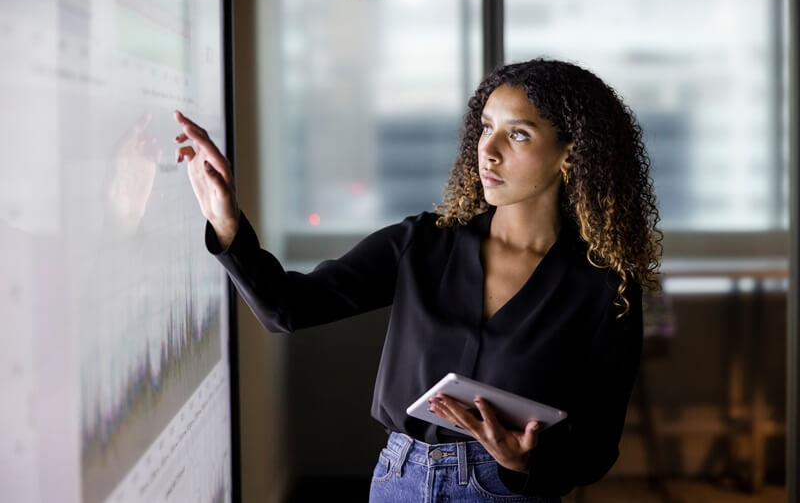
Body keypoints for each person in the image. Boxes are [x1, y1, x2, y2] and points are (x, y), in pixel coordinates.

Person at [174, 57, 663, 502]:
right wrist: (226, 222)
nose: (487, 151)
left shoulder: (606, 287)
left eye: (518, 134)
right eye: (485, 128)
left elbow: (596, 449)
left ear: (570, 155)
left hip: (508, 492)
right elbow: (286, 307)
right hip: (399, 482)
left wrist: (523, 463)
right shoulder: (423, 243)